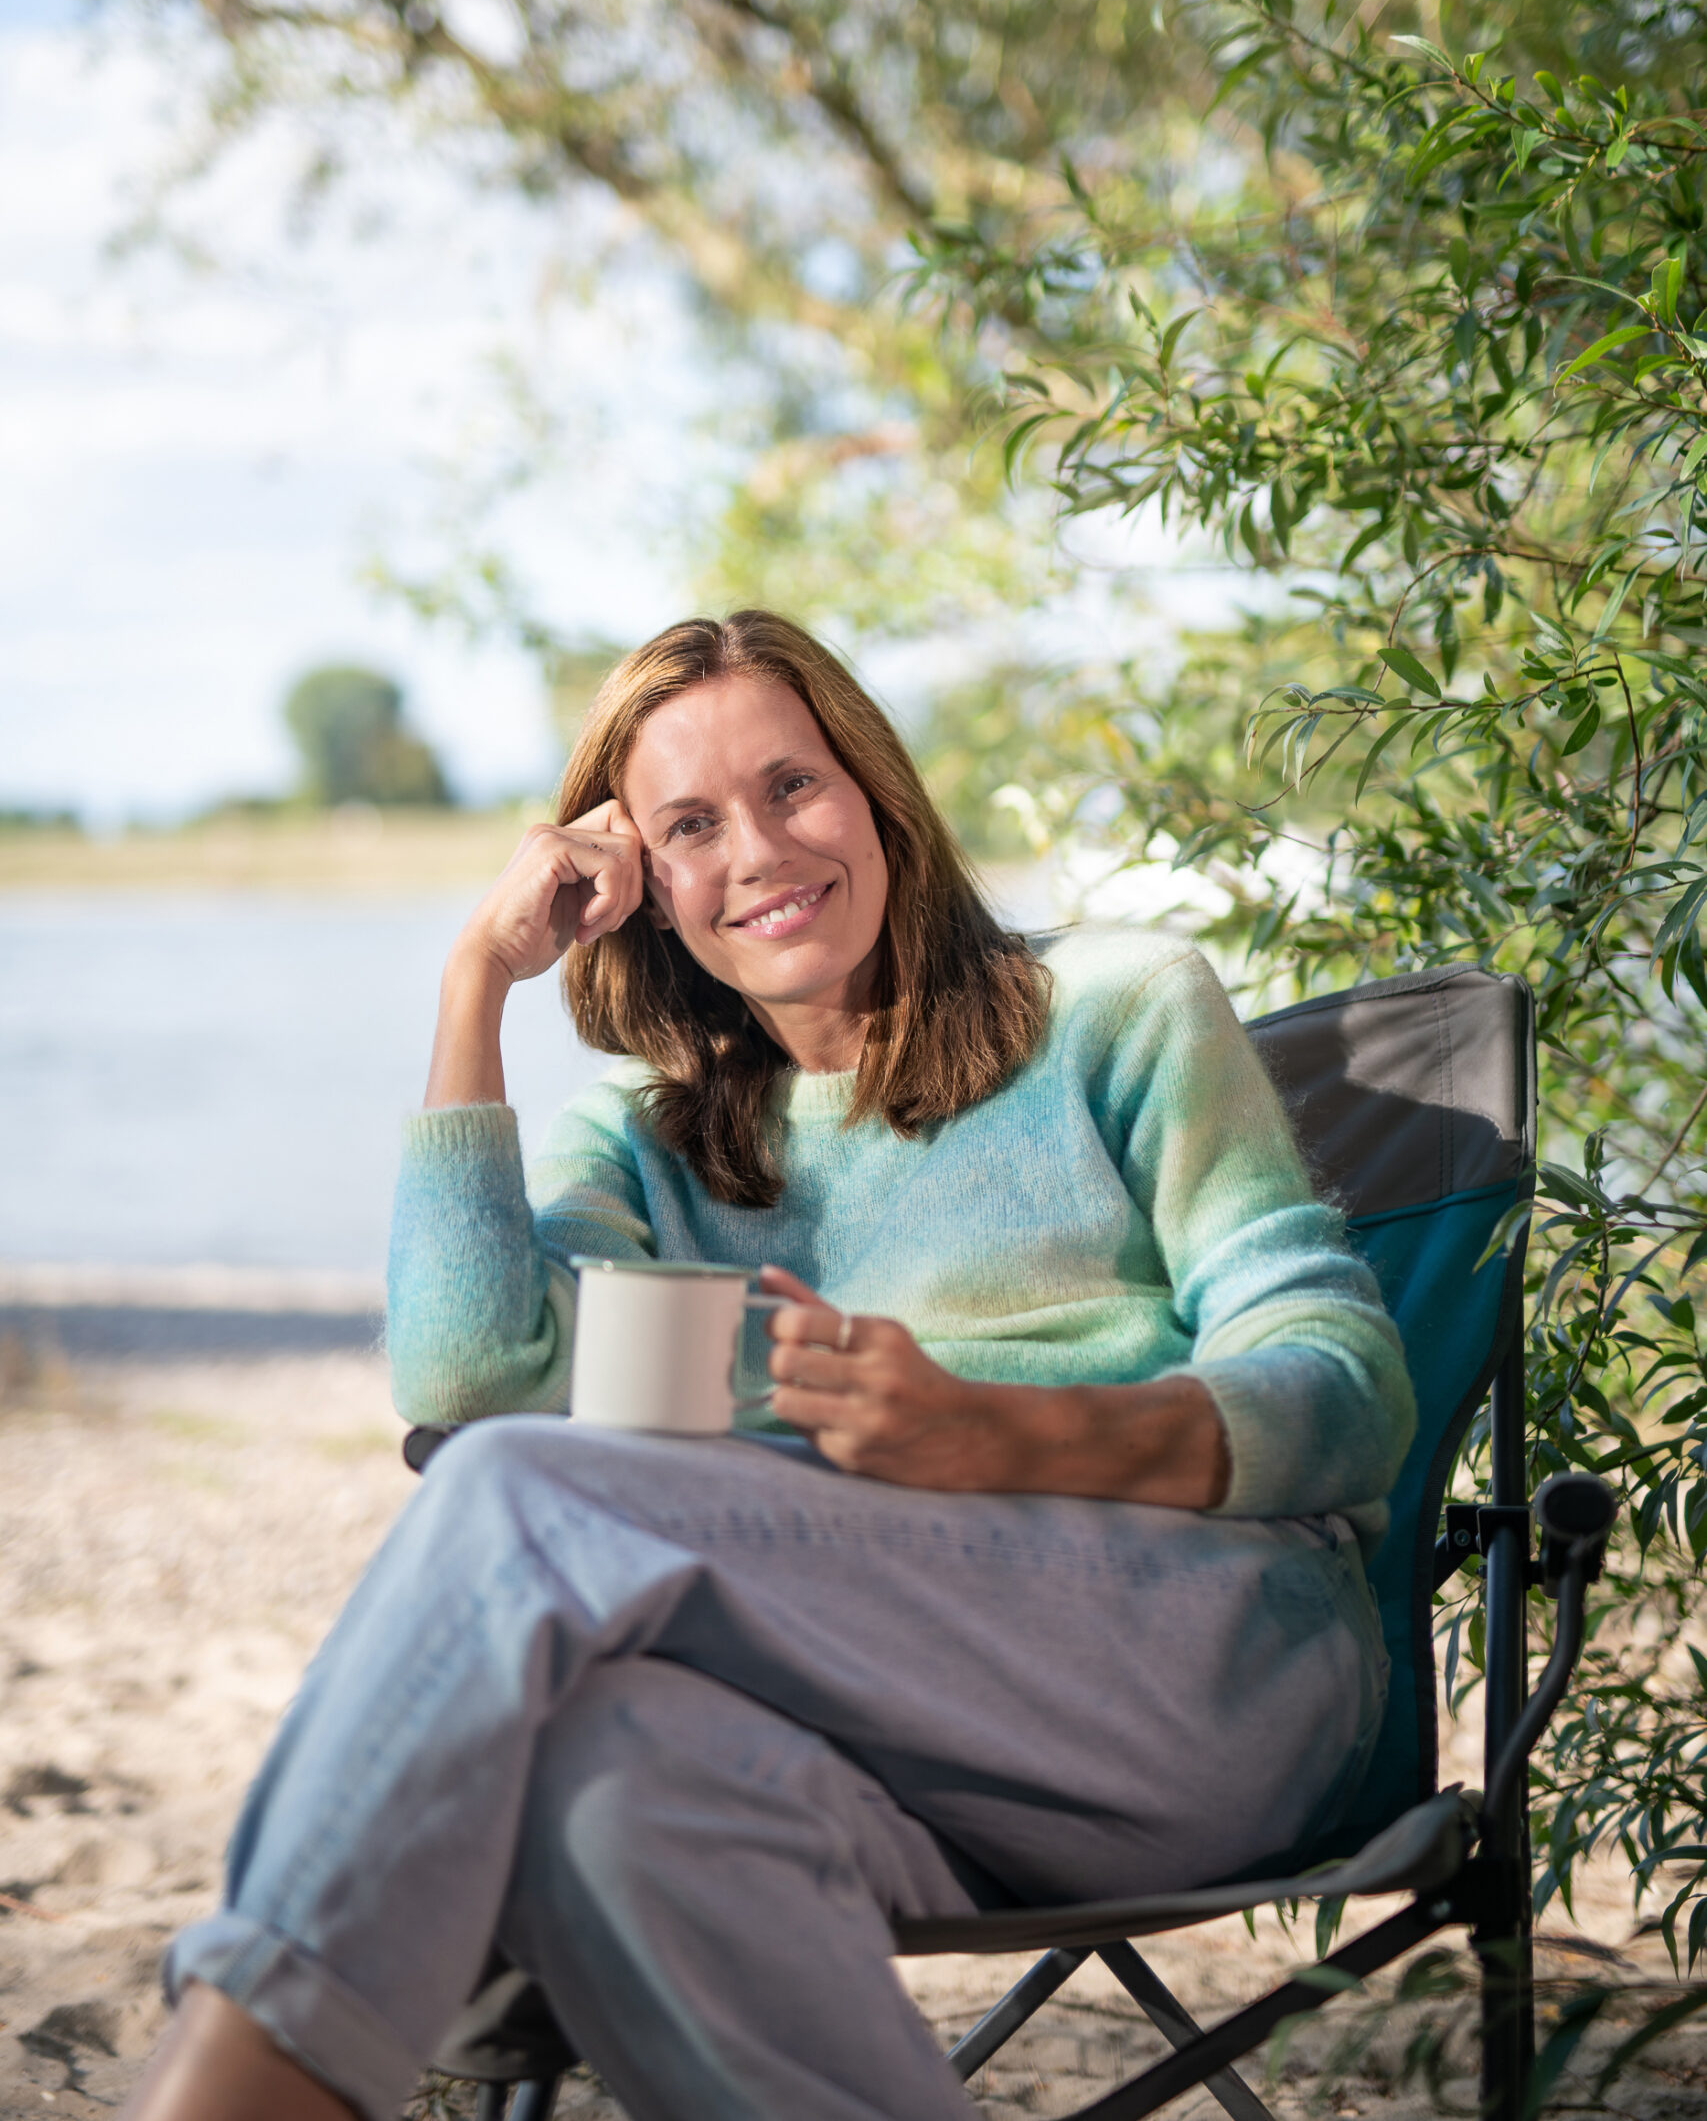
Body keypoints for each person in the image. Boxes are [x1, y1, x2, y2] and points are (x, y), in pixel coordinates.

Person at [126, 609, 1415, 2121]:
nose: (758, 849)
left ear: (874, 793)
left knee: (523, 1503)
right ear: (646, 889)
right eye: (690, 824)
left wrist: (995, 1437)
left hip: (1196, 1678)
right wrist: (477, 975)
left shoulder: (1117, 1014)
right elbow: (471, 1371)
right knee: (606, 1777)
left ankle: (227, 2088)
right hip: (883, 1730)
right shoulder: (656, 1144)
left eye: (793, 786)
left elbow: (1344, 1384)